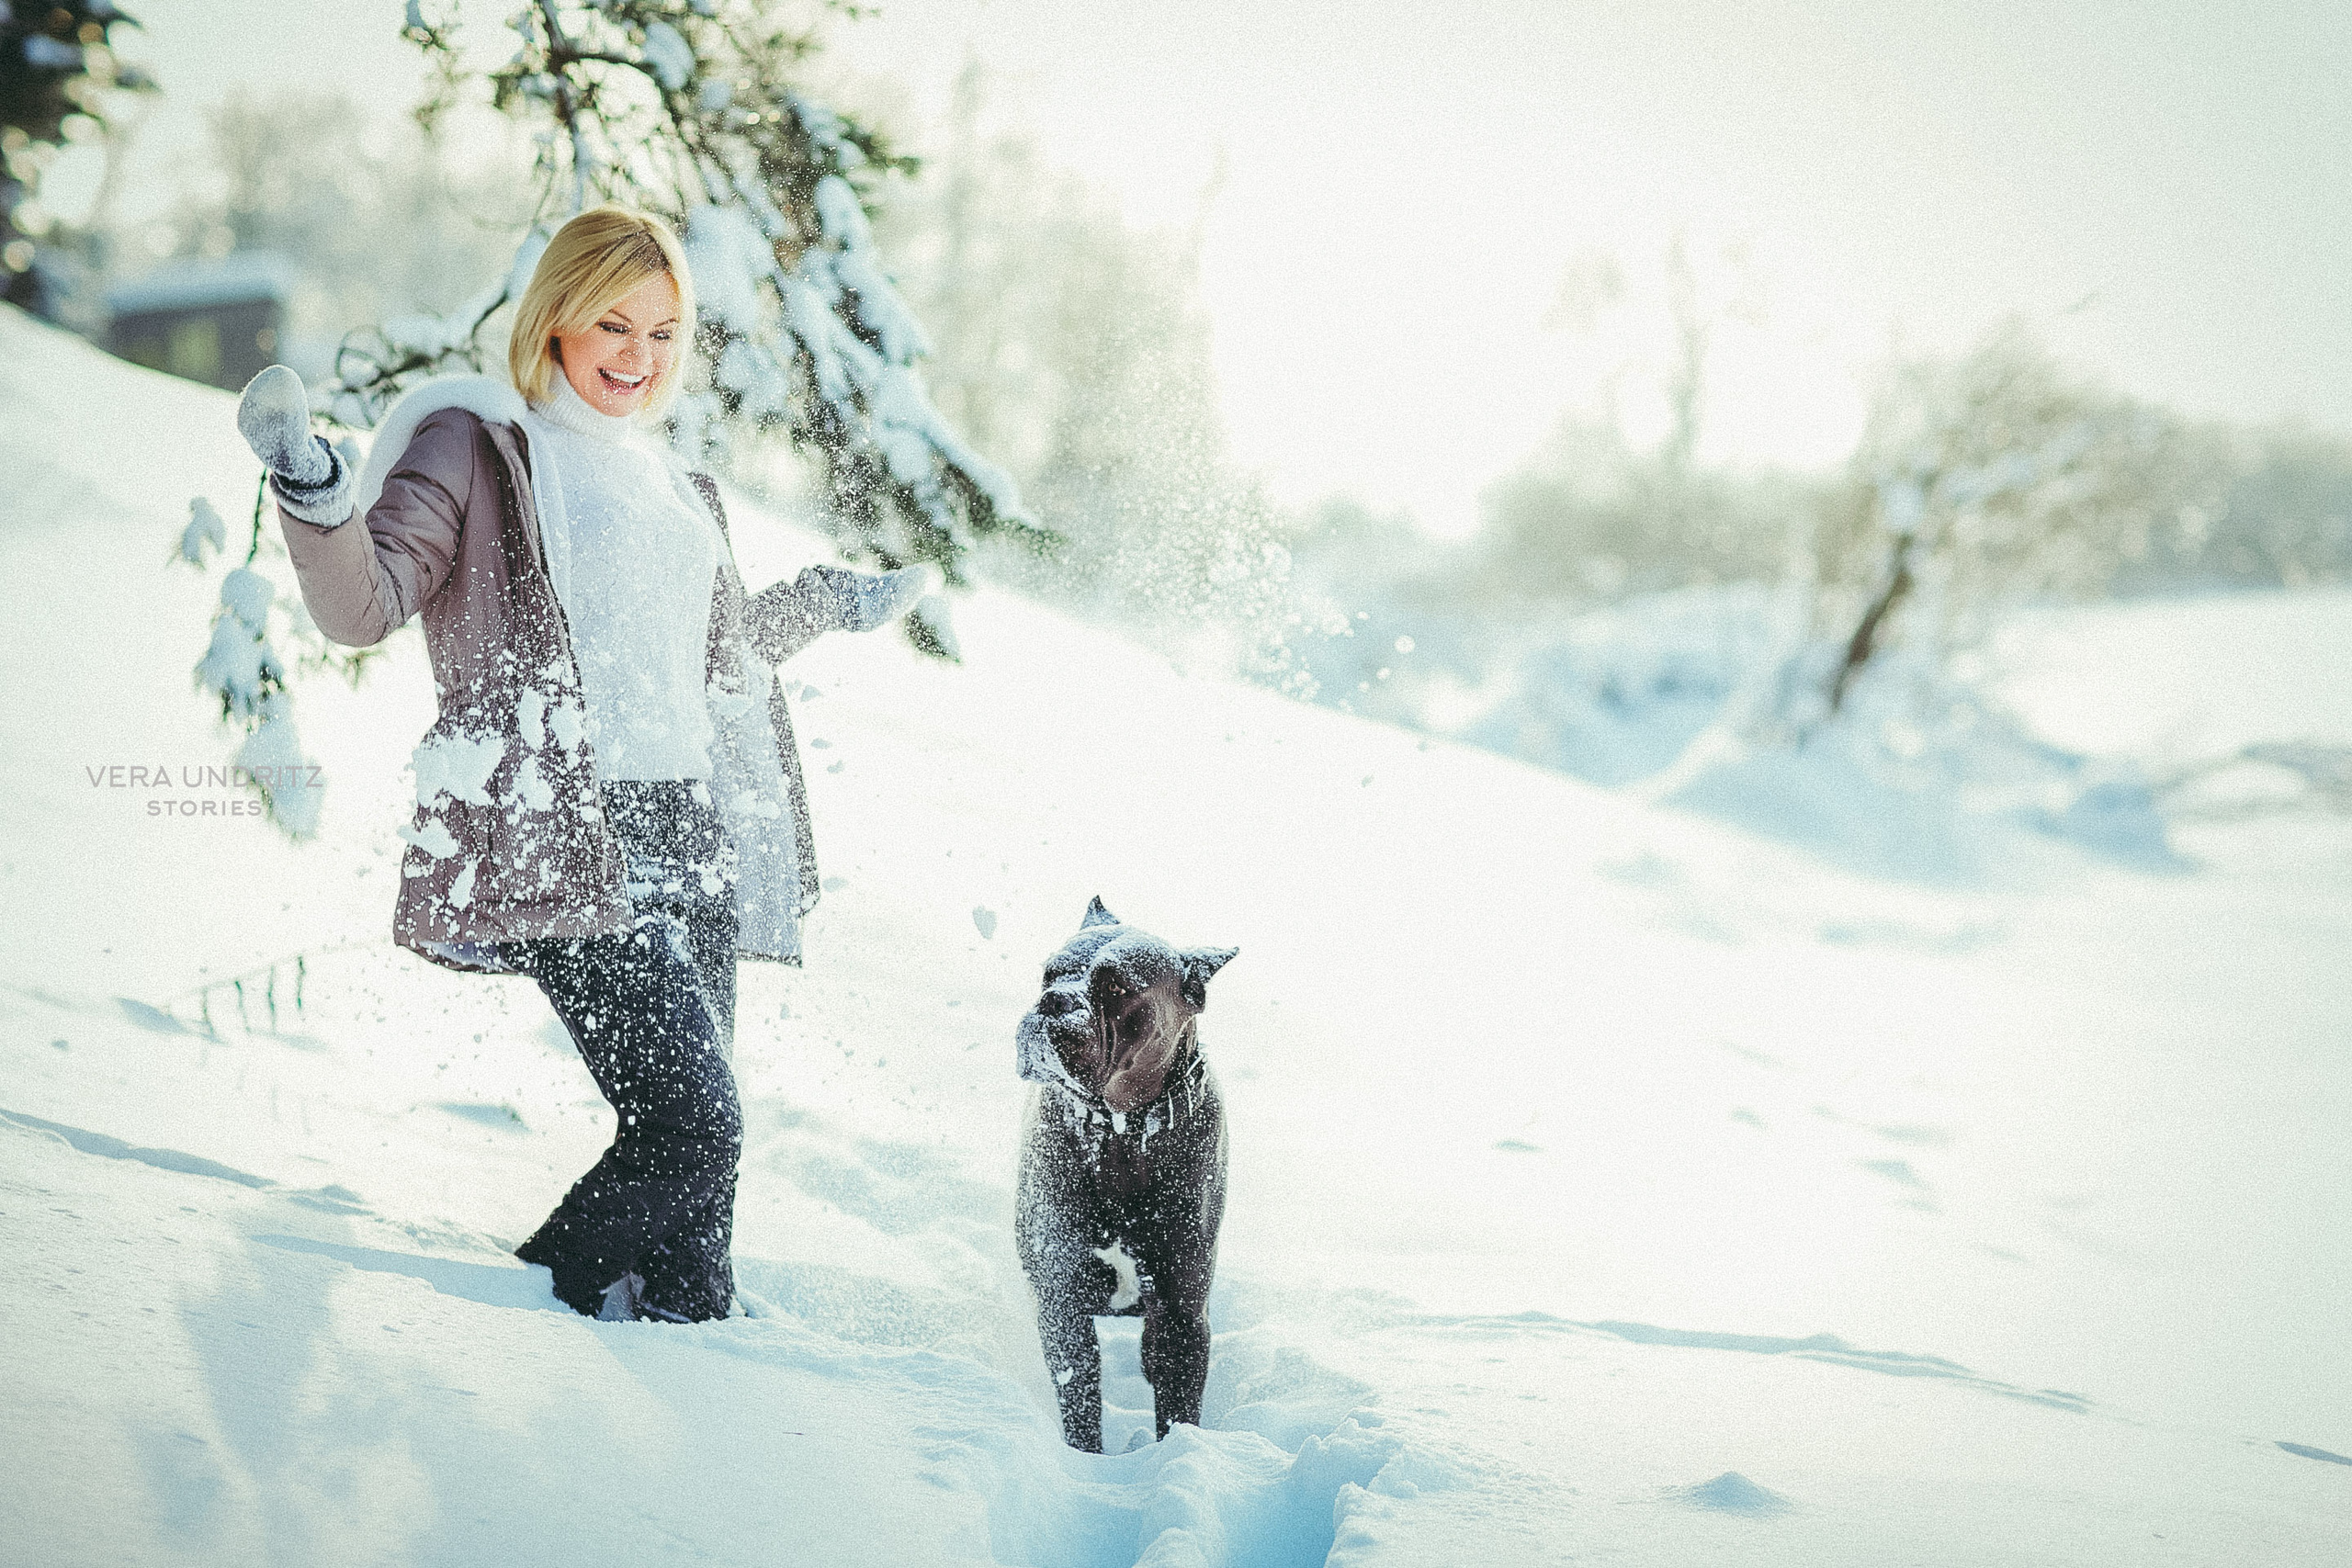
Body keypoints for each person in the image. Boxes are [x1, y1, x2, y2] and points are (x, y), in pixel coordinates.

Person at [234, 206, 933, 1324]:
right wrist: (315, 490)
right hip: (567, 828)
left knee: (700, 1235)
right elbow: (364, 605)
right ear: (553, 319)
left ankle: (696, 1403)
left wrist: (827, 603)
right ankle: (521, 1316)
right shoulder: (477, 447)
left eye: (663, 334)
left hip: (687, 831)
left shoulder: (672, 483)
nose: (637, 357)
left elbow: (714, 657)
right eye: (612, 323)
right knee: (695, 1126)